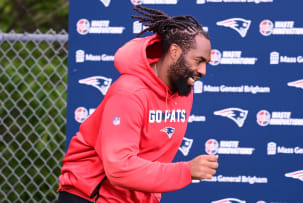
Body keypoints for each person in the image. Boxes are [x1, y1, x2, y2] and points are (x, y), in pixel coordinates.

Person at [58, 5, 218, 203]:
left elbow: (153, 157)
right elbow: (119, 168)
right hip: (92, 196)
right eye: (198, 60)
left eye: (206, 64)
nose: (203, 71)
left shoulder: (184, 93)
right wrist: (185, 171)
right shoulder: (129, 92)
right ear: (175, 52)